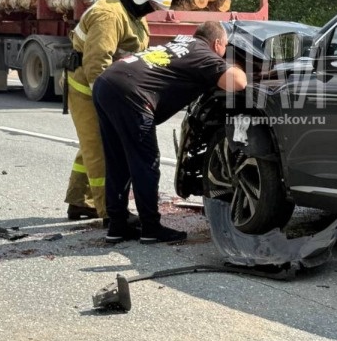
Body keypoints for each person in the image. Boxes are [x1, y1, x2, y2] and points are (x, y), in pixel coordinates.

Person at [93, 21, 248, 243]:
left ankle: (117, 226)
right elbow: (239, 82)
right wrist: (237, 65)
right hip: (131, 93)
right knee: (145, 162)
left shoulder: (182, 42)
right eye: (225, 46)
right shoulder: (203, 54)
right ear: (217, 43)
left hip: (107, 82)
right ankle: (151, 228)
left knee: (118, 160)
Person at [63, 0, 172, 227]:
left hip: (107, 85)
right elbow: (96, 63)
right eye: (151, 5)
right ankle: (110, 210)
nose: (152, 11)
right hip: (89, 87)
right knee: (101, 148)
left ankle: (80, 201)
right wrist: (107, 104)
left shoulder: (129, 12)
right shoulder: (109, 16)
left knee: (91, 144)